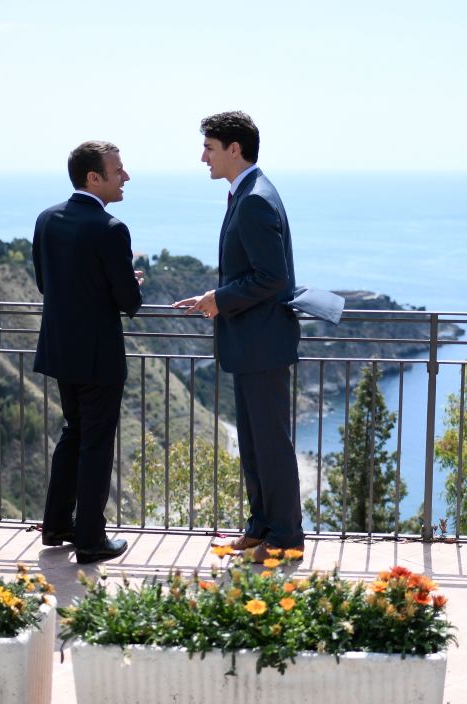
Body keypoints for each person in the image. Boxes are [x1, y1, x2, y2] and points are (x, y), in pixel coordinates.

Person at [174, 111, 305, 560]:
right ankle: (262, 524)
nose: (202, 157)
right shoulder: (248, 192)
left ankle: (286, 536)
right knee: (254, 442)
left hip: (261, 344)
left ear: (235, 148)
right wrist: (218, 298)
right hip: (253, 342)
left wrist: (218, 298)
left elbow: (273, 278)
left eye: (209, 147)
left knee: (270, 443)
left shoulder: (254, 199)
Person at [33, 140, 144, 564]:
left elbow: (48, 283)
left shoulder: (47, 219)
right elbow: (128, 301)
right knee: (96, 442)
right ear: (93, 177)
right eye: (118, 171)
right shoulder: (111, 228)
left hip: (62, 348)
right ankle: (91, 540)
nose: (126, 177)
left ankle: (57, 524)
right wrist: (129, 282)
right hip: (98, 355)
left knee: (73, 432)